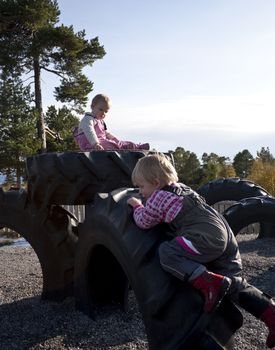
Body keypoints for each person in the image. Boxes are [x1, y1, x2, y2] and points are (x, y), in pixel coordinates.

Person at [127, 153, 275, 349]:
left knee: (167, 252)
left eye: (141, 187)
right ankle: (270, 313)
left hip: (203, 237)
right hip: (223, 233)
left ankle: (208, 283)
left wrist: (137, 206)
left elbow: (144, 222)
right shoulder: (184, 190)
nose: (140, 191)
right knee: (233, 283)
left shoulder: (158, 197)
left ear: (155, 183)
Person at [73, 94, 150, 151]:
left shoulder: (100, 121)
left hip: (100, 142)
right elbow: (89, 131)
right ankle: (127, 147)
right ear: (92, 106)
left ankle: (136, 146)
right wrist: (95, 144)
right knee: (110, 144)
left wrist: (115, 139)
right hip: (90, 144)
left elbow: (105, 133)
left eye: (106, 111)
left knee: (118, 143)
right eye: (101, 110)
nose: (103, 113)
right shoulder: (88, 119)